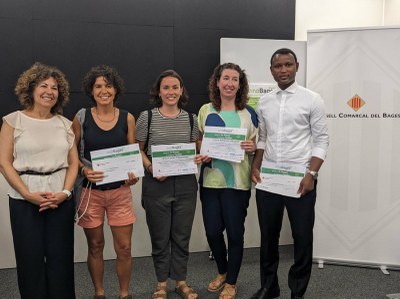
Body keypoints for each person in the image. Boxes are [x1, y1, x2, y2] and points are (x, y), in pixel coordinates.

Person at [250, 48, 329, 299]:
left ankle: (297, 291)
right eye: (278, 66)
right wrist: (255, 164)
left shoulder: (312, 99)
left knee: (302, 238)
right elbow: (262, 137)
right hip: (270, 178)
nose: (283, 70)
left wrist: (312, 174)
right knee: (268, 237)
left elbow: (322, 140)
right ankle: (269, 286)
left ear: (296, 66)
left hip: (300, 180)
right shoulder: (264, 101)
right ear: (271, 70)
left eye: (288, 65)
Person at [0, 62, 78, 299]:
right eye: (43, 85)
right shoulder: (13, 121)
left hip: (60, 199)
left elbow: (73, 162)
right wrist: (27, 194)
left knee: (61, 259)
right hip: (24, 200)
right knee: (29, 259)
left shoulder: (65, 124)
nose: (49, 91)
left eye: (54, 87)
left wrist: (65, 192)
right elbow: (4, 162)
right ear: (31, 89)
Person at [72, 65, 139, 299]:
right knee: (96, 246)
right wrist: (83, 170)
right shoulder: (81, 117)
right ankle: (99, 293)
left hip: (120, 191)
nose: (104, 90)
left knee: (124, 248)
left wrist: (134, 173)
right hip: (91, 193)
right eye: (98, 86)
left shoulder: (127, 118)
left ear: (115, 89)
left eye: (108, 86)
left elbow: (133, 153)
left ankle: (124, 293)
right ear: (91, 90)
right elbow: (71, 154)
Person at [135, 70, 201, 299]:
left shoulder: (192, 119)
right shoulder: (147, 117)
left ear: (181, 90)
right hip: (156, 185)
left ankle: (181, 282)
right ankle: (161, 283)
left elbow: (195, 149)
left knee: (182, 237)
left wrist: (198, 157)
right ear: (159, 91)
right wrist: (151, 168)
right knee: (160, 237)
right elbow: (138, 148)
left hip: (185, 186)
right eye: (166, 87)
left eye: (175, 87)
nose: (171, 92)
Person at [197, 63, 258, 299]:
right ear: (217, 82)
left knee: (235, 233)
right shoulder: (205, 110)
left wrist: (252, 147)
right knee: (213, 232)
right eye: (226, 78)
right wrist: (203, 152)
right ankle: (222, 271)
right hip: (211, 181)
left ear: (240, 84)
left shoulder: (249, 113)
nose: (230, 83)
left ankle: (231, 281)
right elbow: (199, 141)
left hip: (238, 183)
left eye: (235, 79)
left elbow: (256, 145)